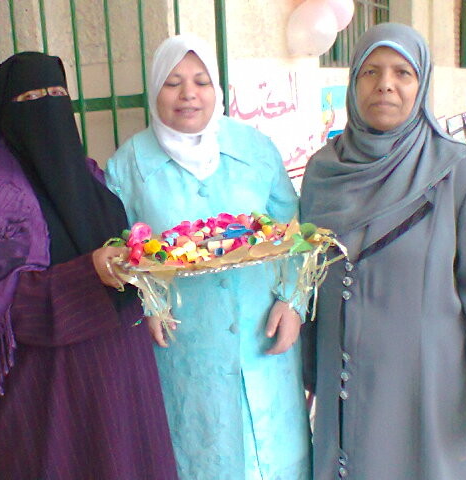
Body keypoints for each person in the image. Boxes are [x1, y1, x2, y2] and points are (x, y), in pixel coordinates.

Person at [0, 52, 178, 480]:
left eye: (57, 94)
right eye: (32, 98)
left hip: (121, 365)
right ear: (5, 111)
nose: (48, 106)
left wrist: (144, 294)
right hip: (51, 384)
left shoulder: (85, 173)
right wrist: (89, 273)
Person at [106, 34, 311, 480]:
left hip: (262, 332)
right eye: (173, 83)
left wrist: (293, 302)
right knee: (199, 456)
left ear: (216, 87)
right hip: (185, 344)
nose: (188, 94)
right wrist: (148, 305)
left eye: (201, 81)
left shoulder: (254, 149)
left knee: (273, 459)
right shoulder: (127, 167)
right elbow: (120, 250)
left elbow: (293, 230)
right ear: (155, 89)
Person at [300, 23, 466, 480]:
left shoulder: (460, 174)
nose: (385, 84)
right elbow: (304, 286)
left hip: (430, 406)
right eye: (371, 71)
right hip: (344, 405)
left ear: (422, 85)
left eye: (403, 72)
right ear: (353, 82)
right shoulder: (322, 173)